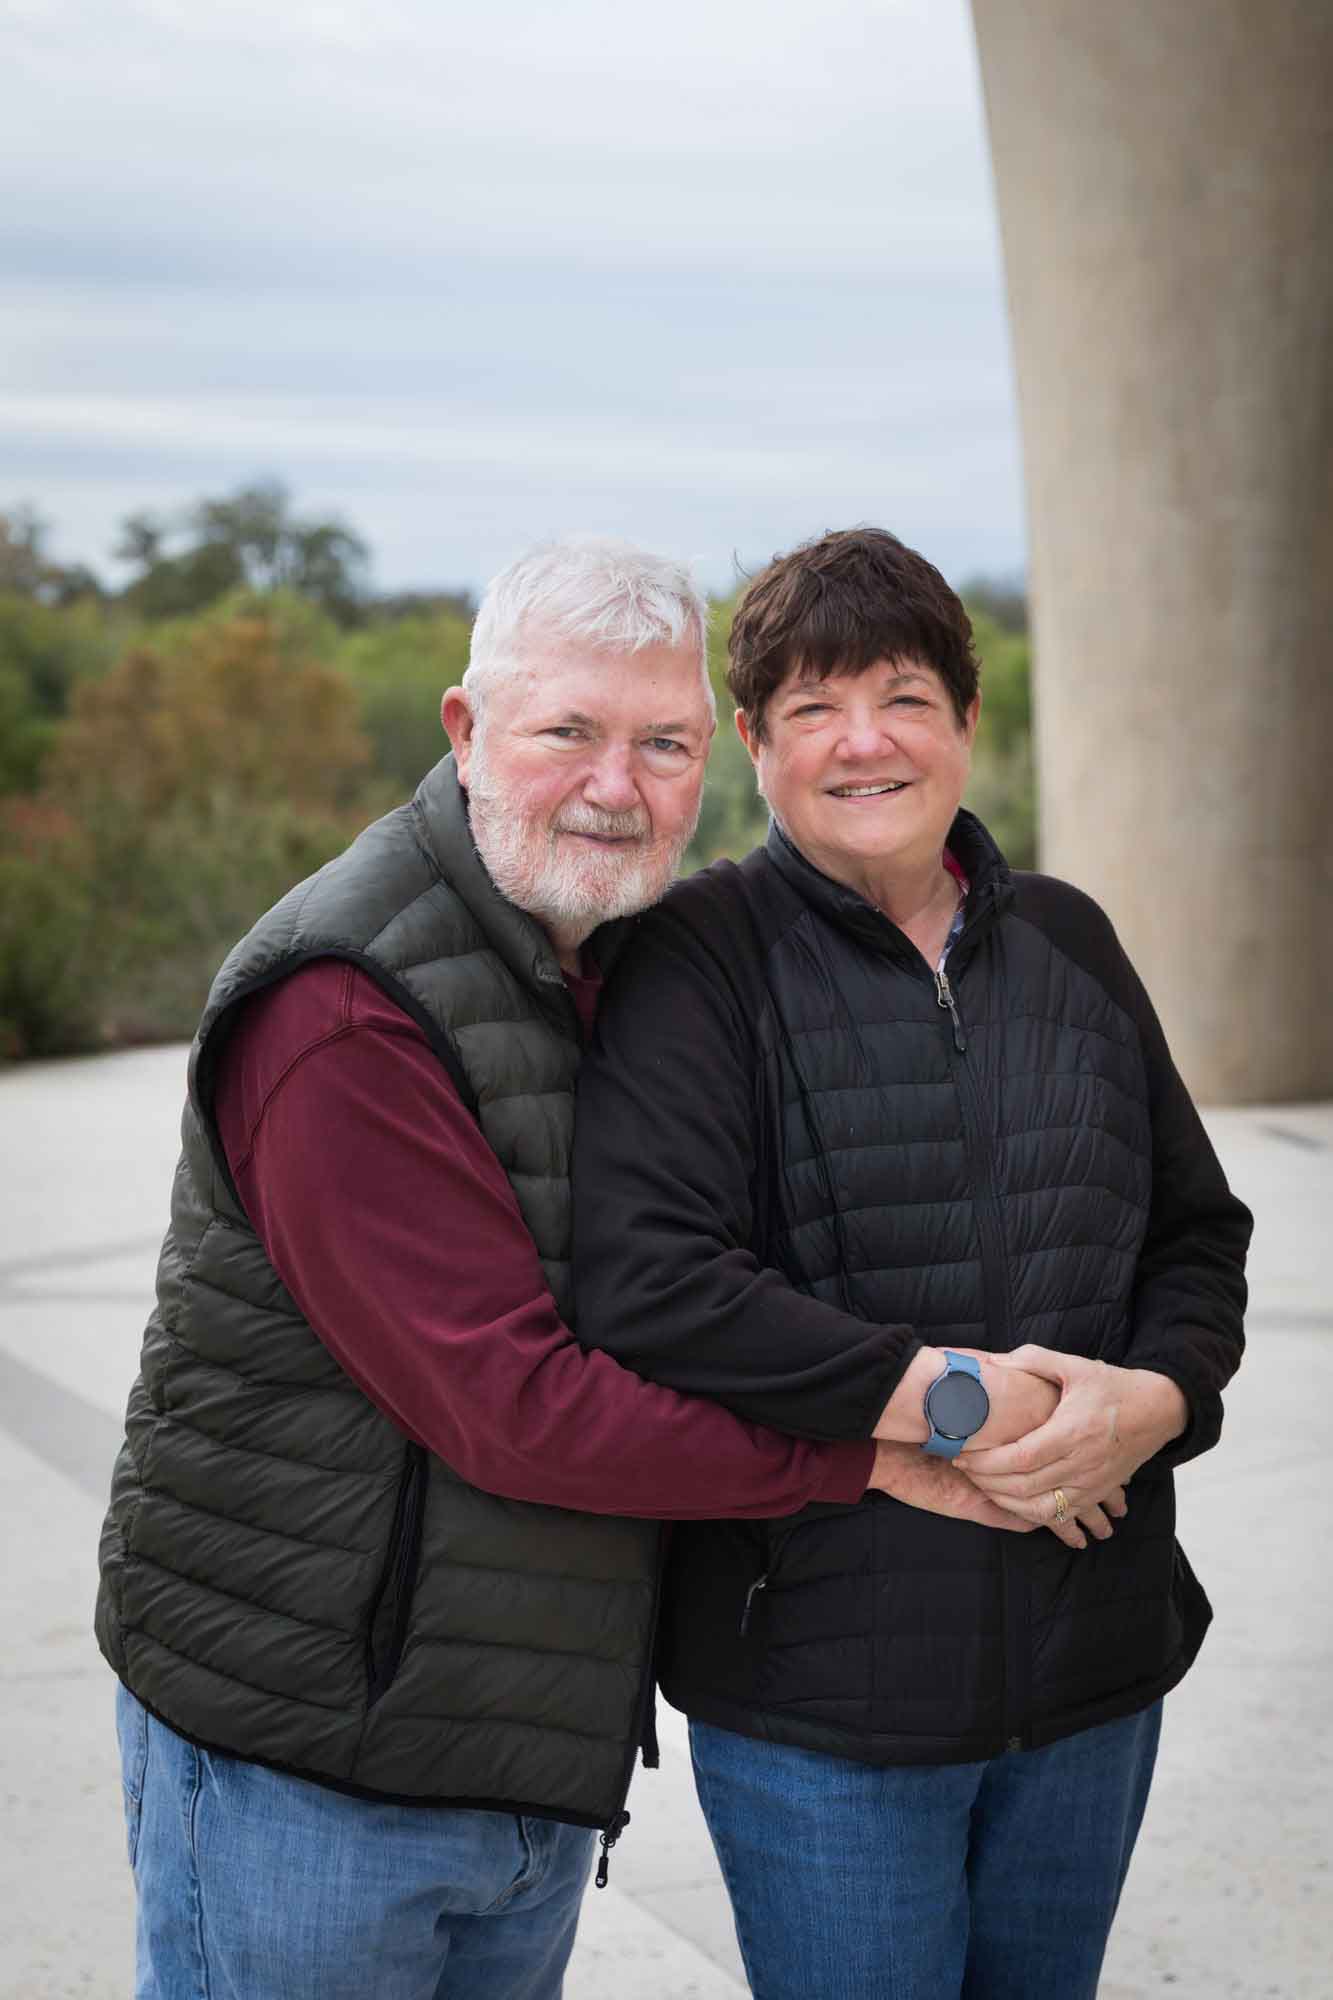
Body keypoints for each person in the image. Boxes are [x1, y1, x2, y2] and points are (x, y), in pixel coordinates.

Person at [96, 535, 968, 2000]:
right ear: (465, 728)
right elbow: (511, 1405)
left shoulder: (615, 958)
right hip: (307, 1761)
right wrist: (874, 1451)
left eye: (663, 742)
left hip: (520, 1748)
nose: (616, 785)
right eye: (567, 731)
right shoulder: (343, 1002)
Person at [572, 526, 1252, 2000]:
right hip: (825, 1695)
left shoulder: (1068, 940)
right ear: (751, 741)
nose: (861, 742)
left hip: (1092, 1663)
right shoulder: (694, 959)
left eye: (900, 697)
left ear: (964, 718)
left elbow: (1195, 1235)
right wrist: (960, 1406)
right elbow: (650, 1281)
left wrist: (1154, 1403)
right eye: (810, 708)